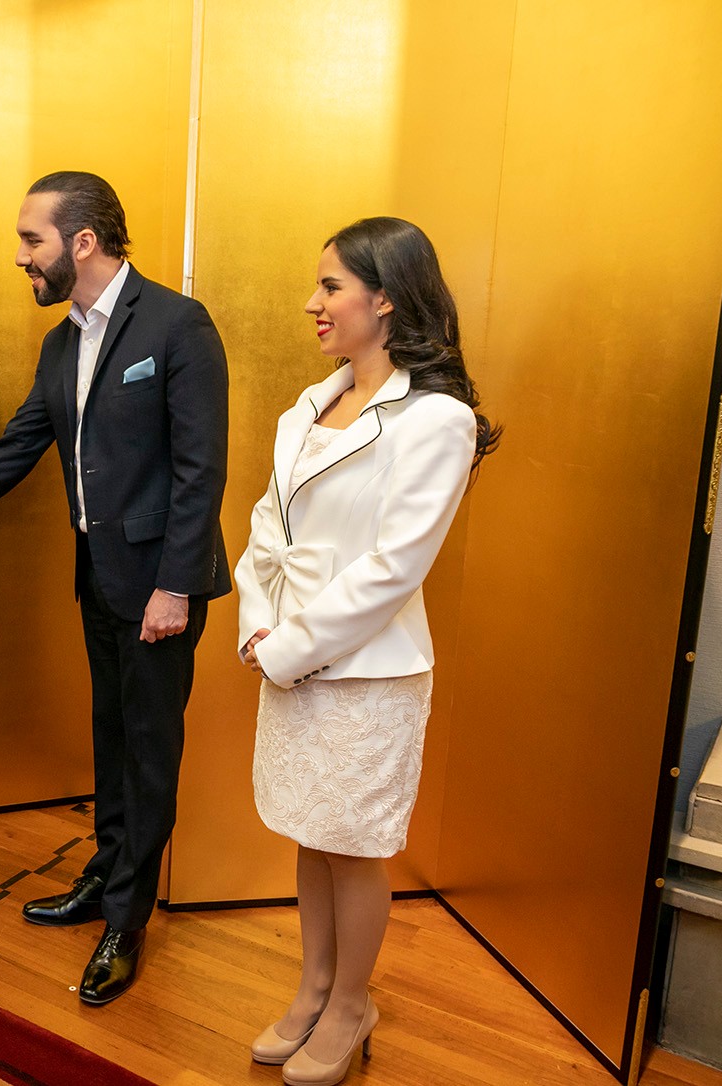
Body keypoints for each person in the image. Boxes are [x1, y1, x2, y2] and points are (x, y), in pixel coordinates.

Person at [0, 171, 229, 1003]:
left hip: (161, 591)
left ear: (83, 242)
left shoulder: (178, 324)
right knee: (112, 738)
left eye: (32, 240)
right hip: (99, 581)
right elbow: (16, 446)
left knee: (149, 752)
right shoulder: (61, 342)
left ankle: (127, 920)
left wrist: (175, 588)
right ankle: (106, 876)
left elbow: (200, 471)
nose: (21, 257)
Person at [235, 217, 498, 1085]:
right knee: (313, 835)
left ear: (384, 299)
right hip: (288, 654)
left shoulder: (437, 420)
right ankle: (313, 988)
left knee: (353, 843)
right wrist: (257, 623)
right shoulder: (309, 406)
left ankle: (352, 1005)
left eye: (331, 287)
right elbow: (267, 527)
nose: (313, 303)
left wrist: (291, 646)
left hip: (364, 672)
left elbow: (395, 569)